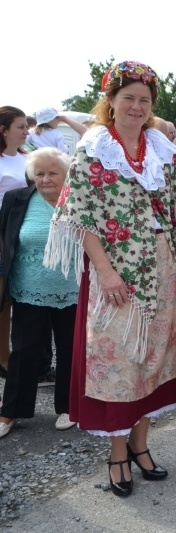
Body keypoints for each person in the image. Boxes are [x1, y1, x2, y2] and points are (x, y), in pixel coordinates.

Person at [44, 60, 176, 498]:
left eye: (144, 100)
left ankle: (142, 447)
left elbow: (173, 214)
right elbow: (81, 216)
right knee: (118, 363)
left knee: (153, 359)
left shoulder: (162, 150)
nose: (136, 106)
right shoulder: (94, 148)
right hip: (117, 274)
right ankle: (117, 453)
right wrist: (104, 272)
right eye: (128, 98)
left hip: (162, 271)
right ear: (110, 101)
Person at [0, 148, 78, 439]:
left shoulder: (79, 201)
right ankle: (10, 411)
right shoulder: (17, 199)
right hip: (28, 288)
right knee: (23, 351)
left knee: (70, 349)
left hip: (72, 289)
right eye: (40, 173)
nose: (45, 179)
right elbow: (5, 238)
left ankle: (68, 406)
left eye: (53, 173)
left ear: (66, 174)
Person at [0, 106, 30, 379]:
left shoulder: (26, 158)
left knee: (18, 299)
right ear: (4, 130)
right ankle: (4, 359)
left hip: (25, 234)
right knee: (2, 301)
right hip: (2, 234)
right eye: (20, 126)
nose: (26, 131)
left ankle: (24, 361)